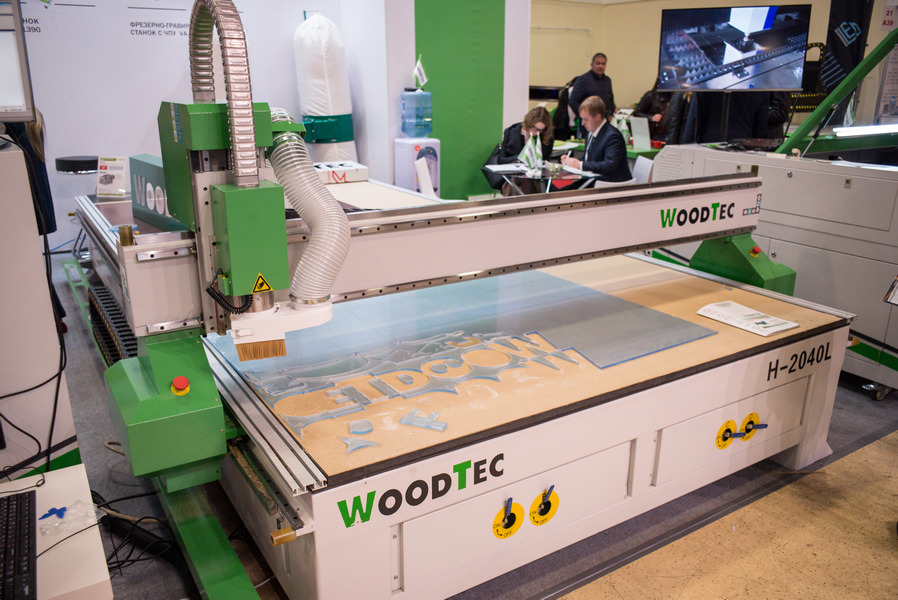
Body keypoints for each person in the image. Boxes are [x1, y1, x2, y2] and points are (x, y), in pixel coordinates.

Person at [561, 95, 631, 183]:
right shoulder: (591, 132)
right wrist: (571, 162)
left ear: (597, 117)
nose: (582, 123)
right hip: (592, 178)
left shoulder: (612, 136)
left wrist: (580, 164)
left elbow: (610, 165)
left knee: (560, 186)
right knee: (557, 184)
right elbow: (588, 159)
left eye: (585, 119)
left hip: (610, 183)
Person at [496, 106, 554, 196]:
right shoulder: (512, 132)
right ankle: (532, 203)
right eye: (535, 129)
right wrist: (520, 158)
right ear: (529, 124)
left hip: (537, 177)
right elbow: (501, 160)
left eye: (541, 130)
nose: (537, 133)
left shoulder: (546, 137)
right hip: (513, 176)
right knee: (524, 180)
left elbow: (545, 160)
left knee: (526, 180)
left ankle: (527, 203)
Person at [681, 92, 771, 144]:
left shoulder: (707, 84)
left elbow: (694, 121)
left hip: (708, 145)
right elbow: (760, 129)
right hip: (744, 146)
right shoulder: (760, 88)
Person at [569, 53, 615, 137]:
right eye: (598, 63)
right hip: (588, 125)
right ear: (592, 65)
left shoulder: (607, 80)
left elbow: (610, 99)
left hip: (604, 123)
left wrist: (611, 113)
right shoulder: (583, 80)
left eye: (603, 64)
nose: (600, 66)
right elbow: (573, 101)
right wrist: (585, 117)